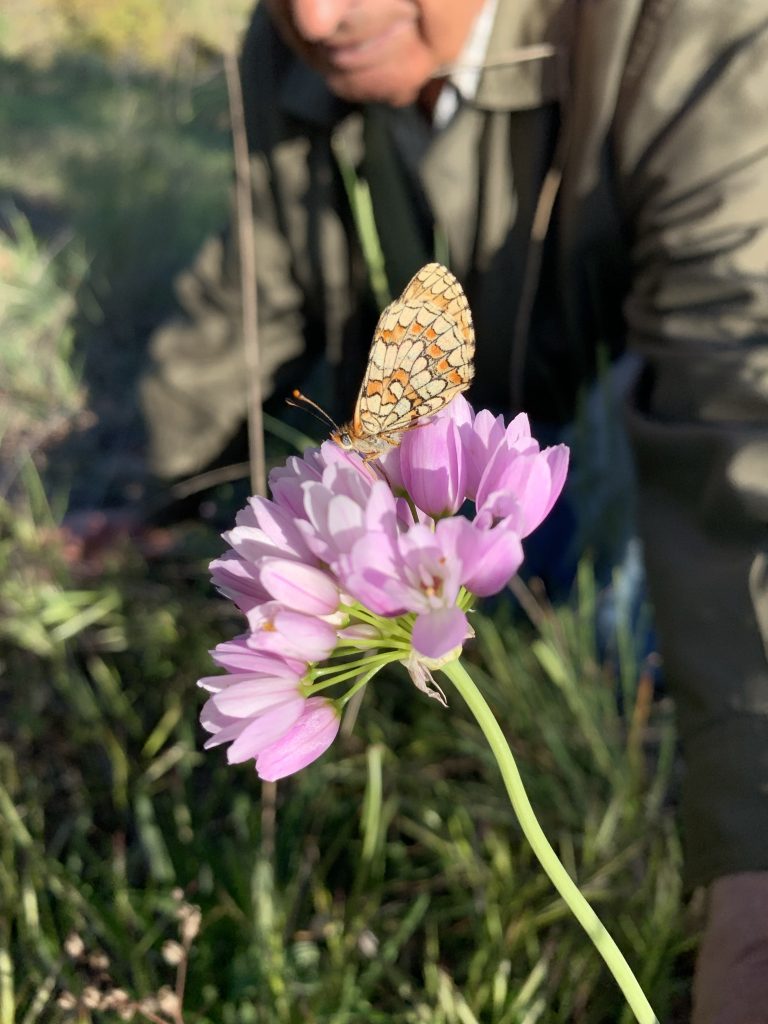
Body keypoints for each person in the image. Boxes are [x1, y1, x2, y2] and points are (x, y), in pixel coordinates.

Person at [140, 2, 768, 1020]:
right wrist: (165, 487)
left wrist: (753, 862)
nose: (315, 13)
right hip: (464, 503)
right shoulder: (287, 47)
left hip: (593, 447)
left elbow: (744, 411)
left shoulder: (688, 33)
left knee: (619, 573)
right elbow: (246, 282)